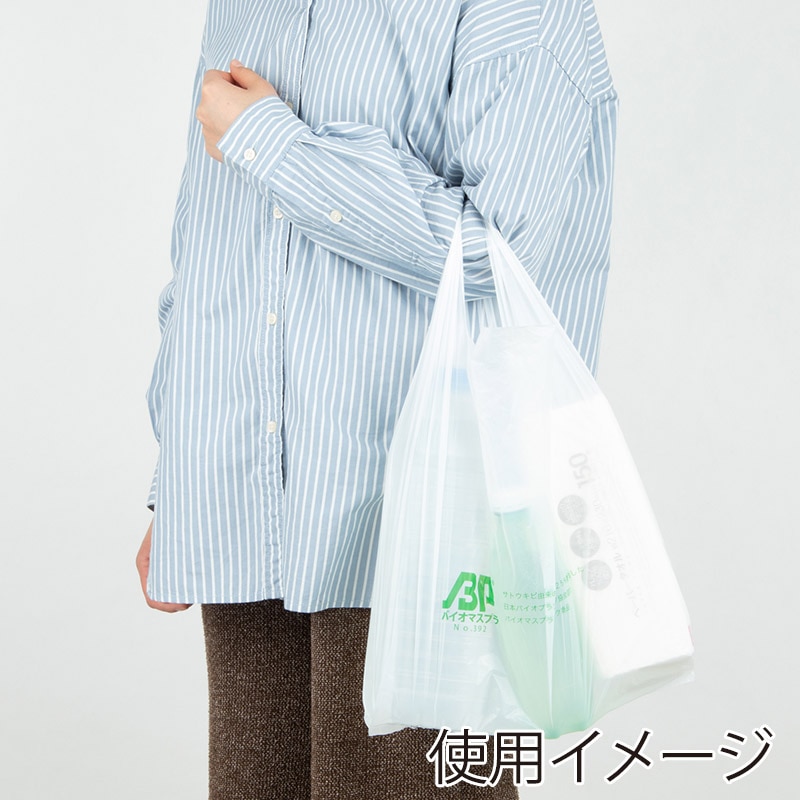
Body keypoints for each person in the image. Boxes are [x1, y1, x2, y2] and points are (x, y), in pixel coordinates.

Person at [135, 1, 618, 797]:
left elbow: (500, 255)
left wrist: (273, 145)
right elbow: (207, 241)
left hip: (417, 517)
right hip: (239, 499)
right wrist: (177, 476)